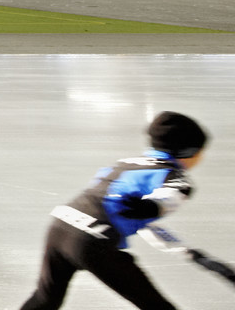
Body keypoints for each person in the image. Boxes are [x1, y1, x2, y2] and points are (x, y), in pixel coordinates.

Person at [16, 112, 212, 310]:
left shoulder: (125, 163)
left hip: (61, 226)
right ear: (190, 152)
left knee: (45, 299)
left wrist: (175, 243)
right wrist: (150, 208)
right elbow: (166, 200)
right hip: (93, 240)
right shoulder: (175, 177)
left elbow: (111, 198)